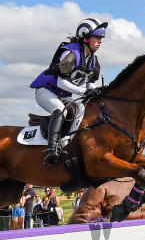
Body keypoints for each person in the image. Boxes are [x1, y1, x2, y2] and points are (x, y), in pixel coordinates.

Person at [30, 18, 107, 165]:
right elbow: (61, 82)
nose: (100, 41)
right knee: (61, 111)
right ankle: (51, 150)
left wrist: (98, 92)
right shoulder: (71, 53)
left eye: (101, 38)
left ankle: (67, 141)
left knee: (81, 109)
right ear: (85, 38)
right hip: (45, 91)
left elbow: (90, 87)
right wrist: (84, 92)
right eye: (97, 37)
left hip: (62, 95)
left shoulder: (94, 62)